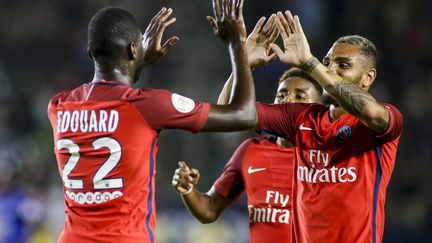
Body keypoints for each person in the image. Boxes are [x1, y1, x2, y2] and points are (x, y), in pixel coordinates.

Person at [47, 0, 257, 242]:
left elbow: (106, 98)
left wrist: (135, 61)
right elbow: (243, 115)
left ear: (90, 53)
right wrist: (236, 43)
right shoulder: (148, 106)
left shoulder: (59, 107)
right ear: (134, 49)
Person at [255, 11, 403, 243]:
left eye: (342, 64)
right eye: (327, 63)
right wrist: (242, 62)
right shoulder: (302, 119)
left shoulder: (384, 120)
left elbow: (370, 112)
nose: (330, 69)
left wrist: (310, 63)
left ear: (367, 78)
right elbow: (230, 112)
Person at [171, 17, 322, 243]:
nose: (288, 101)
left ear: (319, 109)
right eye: (281, 95)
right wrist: (188, 190)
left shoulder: (330, 155)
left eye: (300, 96)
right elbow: (209, 209)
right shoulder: (251, 151)